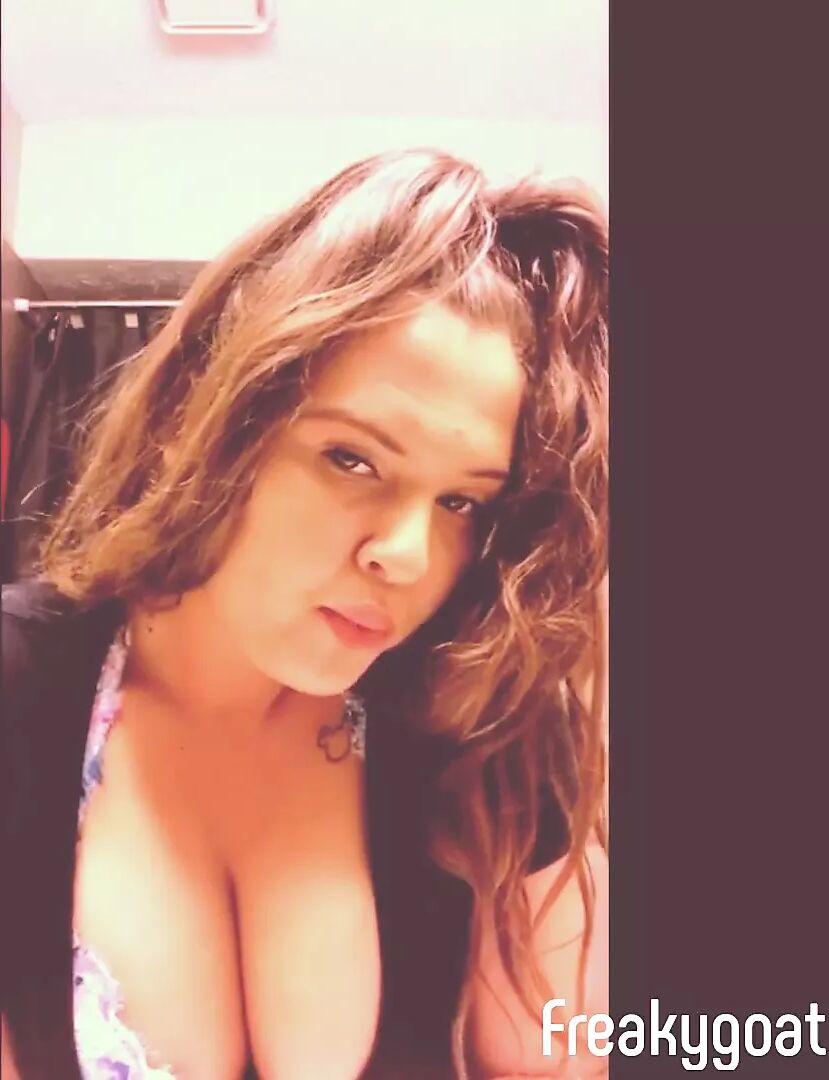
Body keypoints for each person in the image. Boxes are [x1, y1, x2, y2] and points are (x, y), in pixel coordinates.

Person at [1, 149, 608, 1080]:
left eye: (461, 502)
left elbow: (563, 1059)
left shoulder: (486, 728)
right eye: (351, 460)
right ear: (212, 418)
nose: (406, 555)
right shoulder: (19, 692)